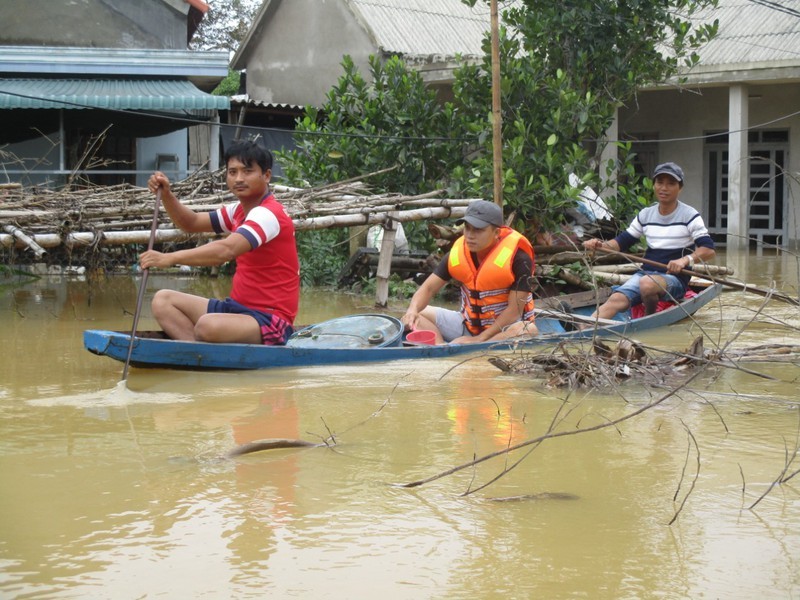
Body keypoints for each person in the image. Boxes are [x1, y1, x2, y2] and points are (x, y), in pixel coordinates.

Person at [139, 140, 300, 345]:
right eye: (232, 172)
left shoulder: (268, 214)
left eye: (247, 171)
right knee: (163, 301)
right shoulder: (239, 211)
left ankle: (199, 355)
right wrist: (167, 195)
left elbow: (226, 250)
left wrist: (169, 258)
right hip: (237, 310)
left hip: (270, 320)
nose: (239, 178)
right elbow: (191, 223)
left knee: (207, 326)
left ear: (266, 176)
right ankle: (199, 355)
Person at [582, 162, 715, 320]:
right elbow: (620, 243)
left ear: (680, 188)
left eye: (671, 183)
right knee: (616, 299)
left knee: (647, 283)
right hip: (646, 273)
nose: (664, 188)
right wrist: (600, 245)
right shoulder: (646, 214)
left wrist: (684, 260)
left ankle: (648, 319)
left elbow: (708, 250)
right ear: (654, 186)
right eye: (660, 182)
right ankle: (584, 326)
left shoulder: (690, 215)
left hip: (675, 280)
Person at [401, 200, 538, 344]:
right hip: (468, 326)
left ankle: (472, 346)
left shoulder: (519, 258)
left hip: (503, 331)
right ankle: (442, 349)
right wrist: (412, 310)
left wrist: (479, 339)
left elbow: (514, 311)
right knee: (419, 313)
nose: (470, 235)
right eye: (467, 228)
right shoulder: (458, 254)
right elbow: (428, 289)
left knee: (528, 329)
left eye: (478, 230)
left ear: (496, 232)